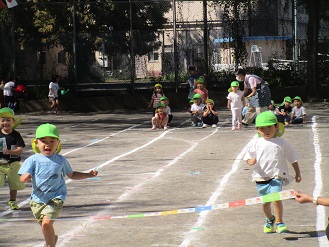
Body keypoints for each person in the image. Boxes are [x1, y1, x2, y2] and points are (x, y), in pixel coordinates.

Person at [18, 123, 98, 247]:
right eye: (43, 141)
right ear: (36, 143)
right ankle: (52, 239)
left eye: (52, 141)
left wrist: (88, 174)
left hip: (56, 198)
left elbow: (71, 175)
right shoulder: (33, 160)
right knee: (46, 226)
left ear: (58, 143)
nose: (47, 144)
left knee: (46, 224)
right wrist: (25, 178)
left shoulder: (60, 160)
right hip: (37, 200)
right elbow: (22, 177)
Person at [243, 111, 302, 234]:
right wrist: (250, 161)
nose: (266, 130)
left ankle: (280, 222)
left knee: (276, 198)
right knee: (265, 203)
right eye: (262, 128)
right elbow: (248, 156)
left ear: (276, 126)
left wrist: (297, 173)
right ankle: (270, 219)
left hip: (277, 176)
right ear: (258, 130)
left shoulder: (282, 143)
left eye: (269, 127)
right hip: (261, 177)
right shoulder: (256, 142)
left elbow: (292, 158)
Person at [0, 107, 25, 210]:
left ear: (13, 122)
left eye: (8, 120)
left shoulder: (16, 135)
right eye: (2, 120)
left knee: (14, 184)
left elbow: (20, 149)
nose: (5, 123)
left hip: (13, 164)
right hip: (0, 164)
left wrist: (10, 152)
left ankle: (13, 201)